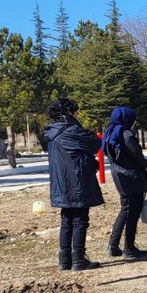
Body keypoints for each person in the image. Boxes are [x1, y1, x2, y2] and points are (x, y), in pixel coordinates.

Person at [44, 97, 104, 272]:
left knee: (66, 219)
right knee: (80, 220)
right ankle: (78, 258)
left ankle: (64, 260)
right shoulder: (71, 129)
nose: (77, 113)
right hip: (77, 180)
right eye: (75, 111)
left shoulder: (52, 131)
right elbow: (95, 143)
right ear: (69, 112)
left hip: (60, 182)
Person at [102, 105, 147, 260]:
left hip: (119, 175)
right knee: (133, 212)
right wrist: (146, 167)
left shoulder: (110, 132)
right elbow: (136, 154)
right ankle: (129, 249)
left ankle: (113, 245)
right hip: (131, 176)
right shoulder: (125, 133)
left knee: (125, 209)